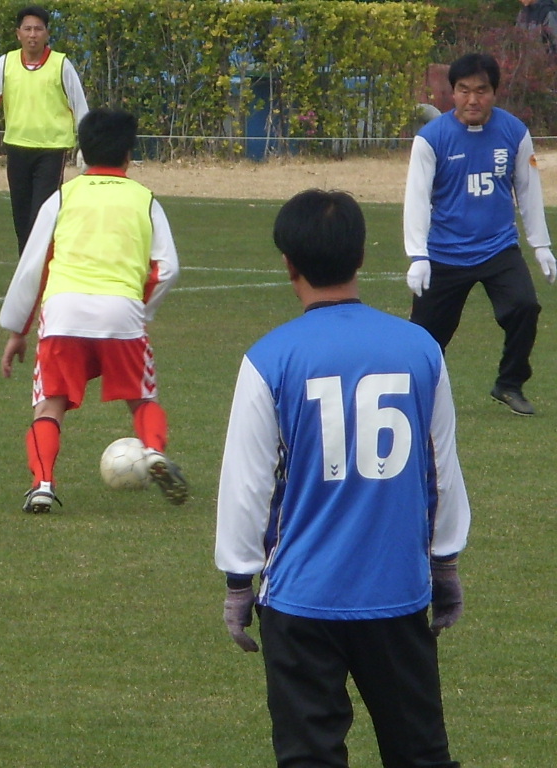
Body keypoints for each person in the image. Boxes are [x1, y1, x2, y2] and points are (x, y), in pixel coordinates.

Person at [216, 188, 471, 768]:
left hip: (301, 598)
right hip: (397, 592)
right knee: (421, 754)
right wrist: (445, 563)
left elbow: (248, 483)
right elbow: (440, 468)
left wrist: (237, 582)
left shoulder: (268, 358)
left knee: (309, 757)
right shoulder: (421, 349)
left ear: (289, 263)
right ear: (360, 256)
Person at [0, 107, 186, 513]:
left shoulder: (62, 197)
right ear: (129, 155)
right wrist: (139, 311)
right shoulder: (145, 200)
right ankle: (154, 451)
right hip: (122, 312)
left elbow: (33, 267)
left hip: (64, 312)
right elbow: (168, 267)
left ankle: (42, 484)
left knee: (50, 402)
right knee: (142, 397)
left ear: (81, 151)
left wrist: (17, 331)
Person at [404, 52, 555, 416]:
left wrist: (541, 245)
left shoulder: (514, 132)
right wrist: (418, 256)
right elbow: (416, 199)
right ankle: (417, 394)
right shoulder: (431, 139)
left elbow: (528, 190)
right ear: (452, 92)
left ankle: (509, 384)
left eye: (481, 90)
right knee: (425, 336)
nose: (472, 99)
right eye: (464, 90)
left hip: (498, 248)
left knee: (525, 306)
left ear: (494, 92)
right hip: (444, 253)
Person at [0, 5, 89, 255]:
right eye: (27, 29)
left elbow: (79, 105)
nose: (32, 35)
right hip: (17, 148)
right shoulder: (6, 63)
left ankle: (43, 270)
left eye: (38, 29)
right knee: (21, 220)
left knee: (41, 217)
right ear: (18, 33)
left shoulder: (61, 64)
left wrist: (86, 144)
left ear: (47, 33)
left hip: (52, 150)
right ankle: (27, 271)